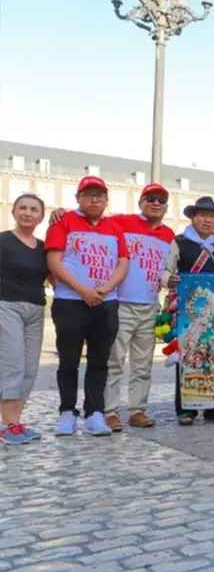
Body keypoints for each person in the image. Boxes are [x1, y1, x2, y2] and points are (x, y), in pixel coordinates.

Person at [50, 183, 176, 430]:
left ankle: (138, 410)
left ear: (166, 207)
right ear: (140, 202)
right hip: (121, 303)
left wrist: (168, 280)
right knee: (113, 361)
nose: (155, 203)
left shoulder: (170, 235)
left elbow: (167, 268)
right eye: (150, 198)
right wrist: (62, 211)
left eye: (161, 200)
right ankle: (108, 410)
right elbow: (91, 212)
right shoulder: (122, 223)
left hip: (149, 305)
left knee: (143, 363)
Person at [45, 176, 130, 437]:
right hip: (70, 302)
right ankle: (67, 412)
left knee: (99, 361)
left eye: (100, 195)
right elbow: (54, 261)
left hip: (106, 303)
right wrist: (82, 291)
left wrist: (105, 289)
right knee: (68, 360)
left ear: (106, 200)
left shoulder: (114, 227)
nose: (95, 199)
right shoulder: (64, 222)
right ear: (78, 198)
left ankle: (95, 413)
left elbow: (123, 263)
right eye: (89, 194)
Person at [163, 196, 214, 425]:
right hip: (189, 311)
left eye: (212, 216)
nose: (208, 220)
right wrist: (170, 280)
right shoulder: (179, 242)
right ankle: (186, 409)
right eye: (203, 216)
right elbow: (165, 271)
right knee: (188, 354)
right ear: (193, 218)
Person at [0, 194, 50, 444]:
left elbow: (54, 277)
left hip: (36, 309)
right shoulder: (3, 241)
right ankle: (7, 426)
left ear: (41, 216)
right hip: (6, 306)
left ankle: (17, 423)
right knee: (13, 366)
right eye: (23, 208)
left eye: (33, 209)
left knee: (30, 369)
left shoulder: (43, 248)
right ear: (13, 211)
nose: (27, 213)